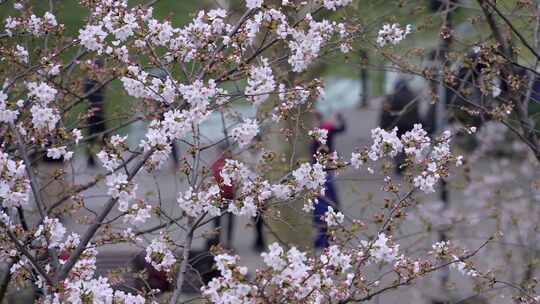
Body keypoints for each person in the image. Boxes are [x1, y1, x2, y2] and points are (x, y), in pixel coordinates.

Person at [311, 112, 346, 249]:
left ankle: (324, 239)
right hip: (317, 169)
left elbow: (342, 128)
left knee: (325, 201)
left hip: (324, 168)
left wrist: (339, 118)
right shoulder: (314, 132)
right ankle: (323, 238)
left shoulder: (326, 129)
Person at [379, 79, 420, 174]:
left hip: (396, 127)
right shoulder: (412, 97)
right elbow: (416, 114)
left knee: (397, 146)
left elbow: (385, 113)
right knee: (407, 146)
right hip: (409, 126)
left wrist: (383, 127)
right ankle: (405, 163)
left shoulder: (391, 97)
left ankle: (399, 164)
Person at [84, 59, 106, 167]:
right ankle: (91, 159)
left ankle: (107, 157)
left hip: (100, 113)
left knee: (104, 136)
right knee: (92, 136)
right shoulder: (89, 79)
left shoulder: (99, 79)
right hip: (92, 113)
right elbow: (88, 96)